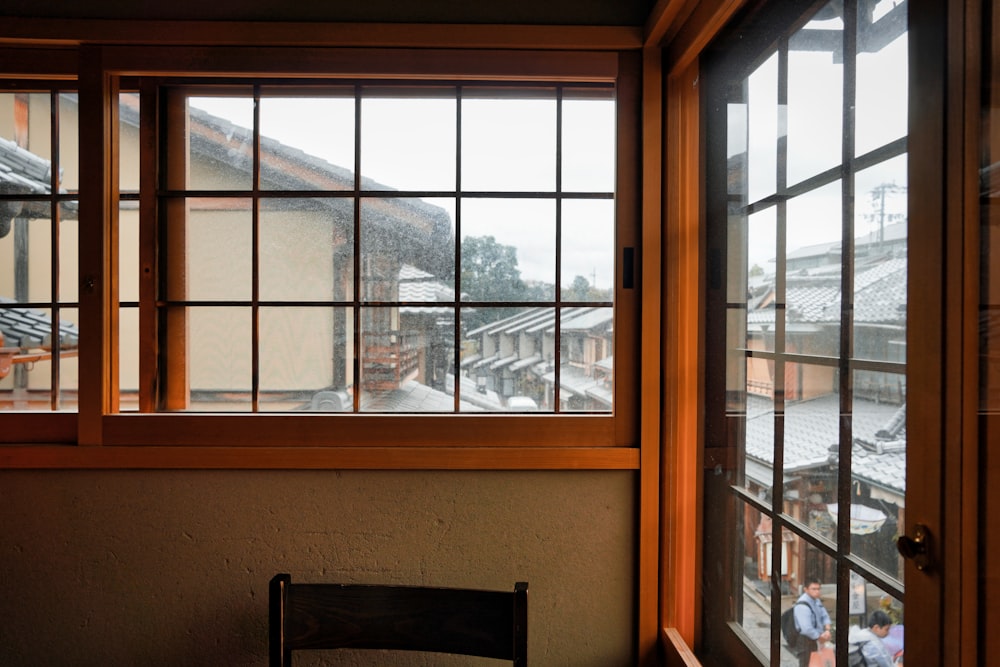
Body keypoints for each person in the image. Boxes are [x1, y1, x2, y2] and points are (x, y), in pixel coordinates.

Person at [793, 578, 833, 667]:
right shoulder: (802, 606)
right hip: (806, 641)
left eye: (818, 589)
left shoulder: (816, 600)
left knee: (819, 663)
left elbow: (824, 615)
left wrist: (827, 629)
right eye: (814, 589)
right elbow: (806, 629)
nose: (817, 591)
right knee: (807, 664)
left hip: (818, 637)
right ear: (806, 589)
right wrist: (819, 638)